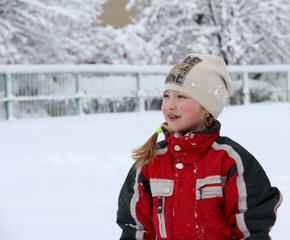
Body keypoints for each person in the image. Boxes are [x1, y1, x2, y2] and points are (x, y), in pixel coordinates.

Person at [116, 54, 282, 240]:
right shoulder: (150, 162)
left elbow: (250, 227)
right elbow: (135, 228)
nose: (170, 105)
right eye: (166, 96)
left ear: (207, 108)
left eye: (181, 96)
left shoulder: (229, 160)